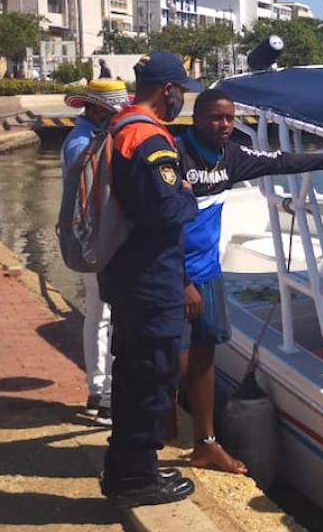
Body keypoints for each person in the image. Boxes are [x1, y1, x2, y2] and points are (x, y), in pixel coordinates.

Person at [174, 88, 323, 474]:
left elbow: (278, 160)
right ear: (196, 119)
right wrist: (183, 280)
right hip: (174, 275)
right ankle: (161, 429)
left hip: (208, 272)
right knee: (167, 357)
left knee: (205, 354)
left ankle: (204, 442)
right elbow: (158, 224)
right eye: (216, 118)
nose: (225, 125)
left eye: (229, 118)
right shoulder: (175, 156)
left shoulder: (230, 156)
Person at [96, 51, 201, 507]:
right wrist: (188, 195)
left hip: (127, 273)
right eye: (182, 93)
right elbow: (166, 208)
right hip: (151, 280)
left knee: (132, 375)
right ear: (168, 91)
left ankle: (128, 469)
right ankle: (136, 479)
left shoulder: (120, 125)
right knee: (151, 378)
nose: (182, 102)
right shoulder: (149, 137)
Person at [59, 80, 131, 427]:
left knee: (98, 315)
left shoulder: (83, 137)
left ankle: (99, 391)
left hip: (92, 239)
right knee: (104, 316)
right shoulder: (83, 144)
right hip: (96, 240)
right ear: (99, 110)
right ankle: (104, 396)